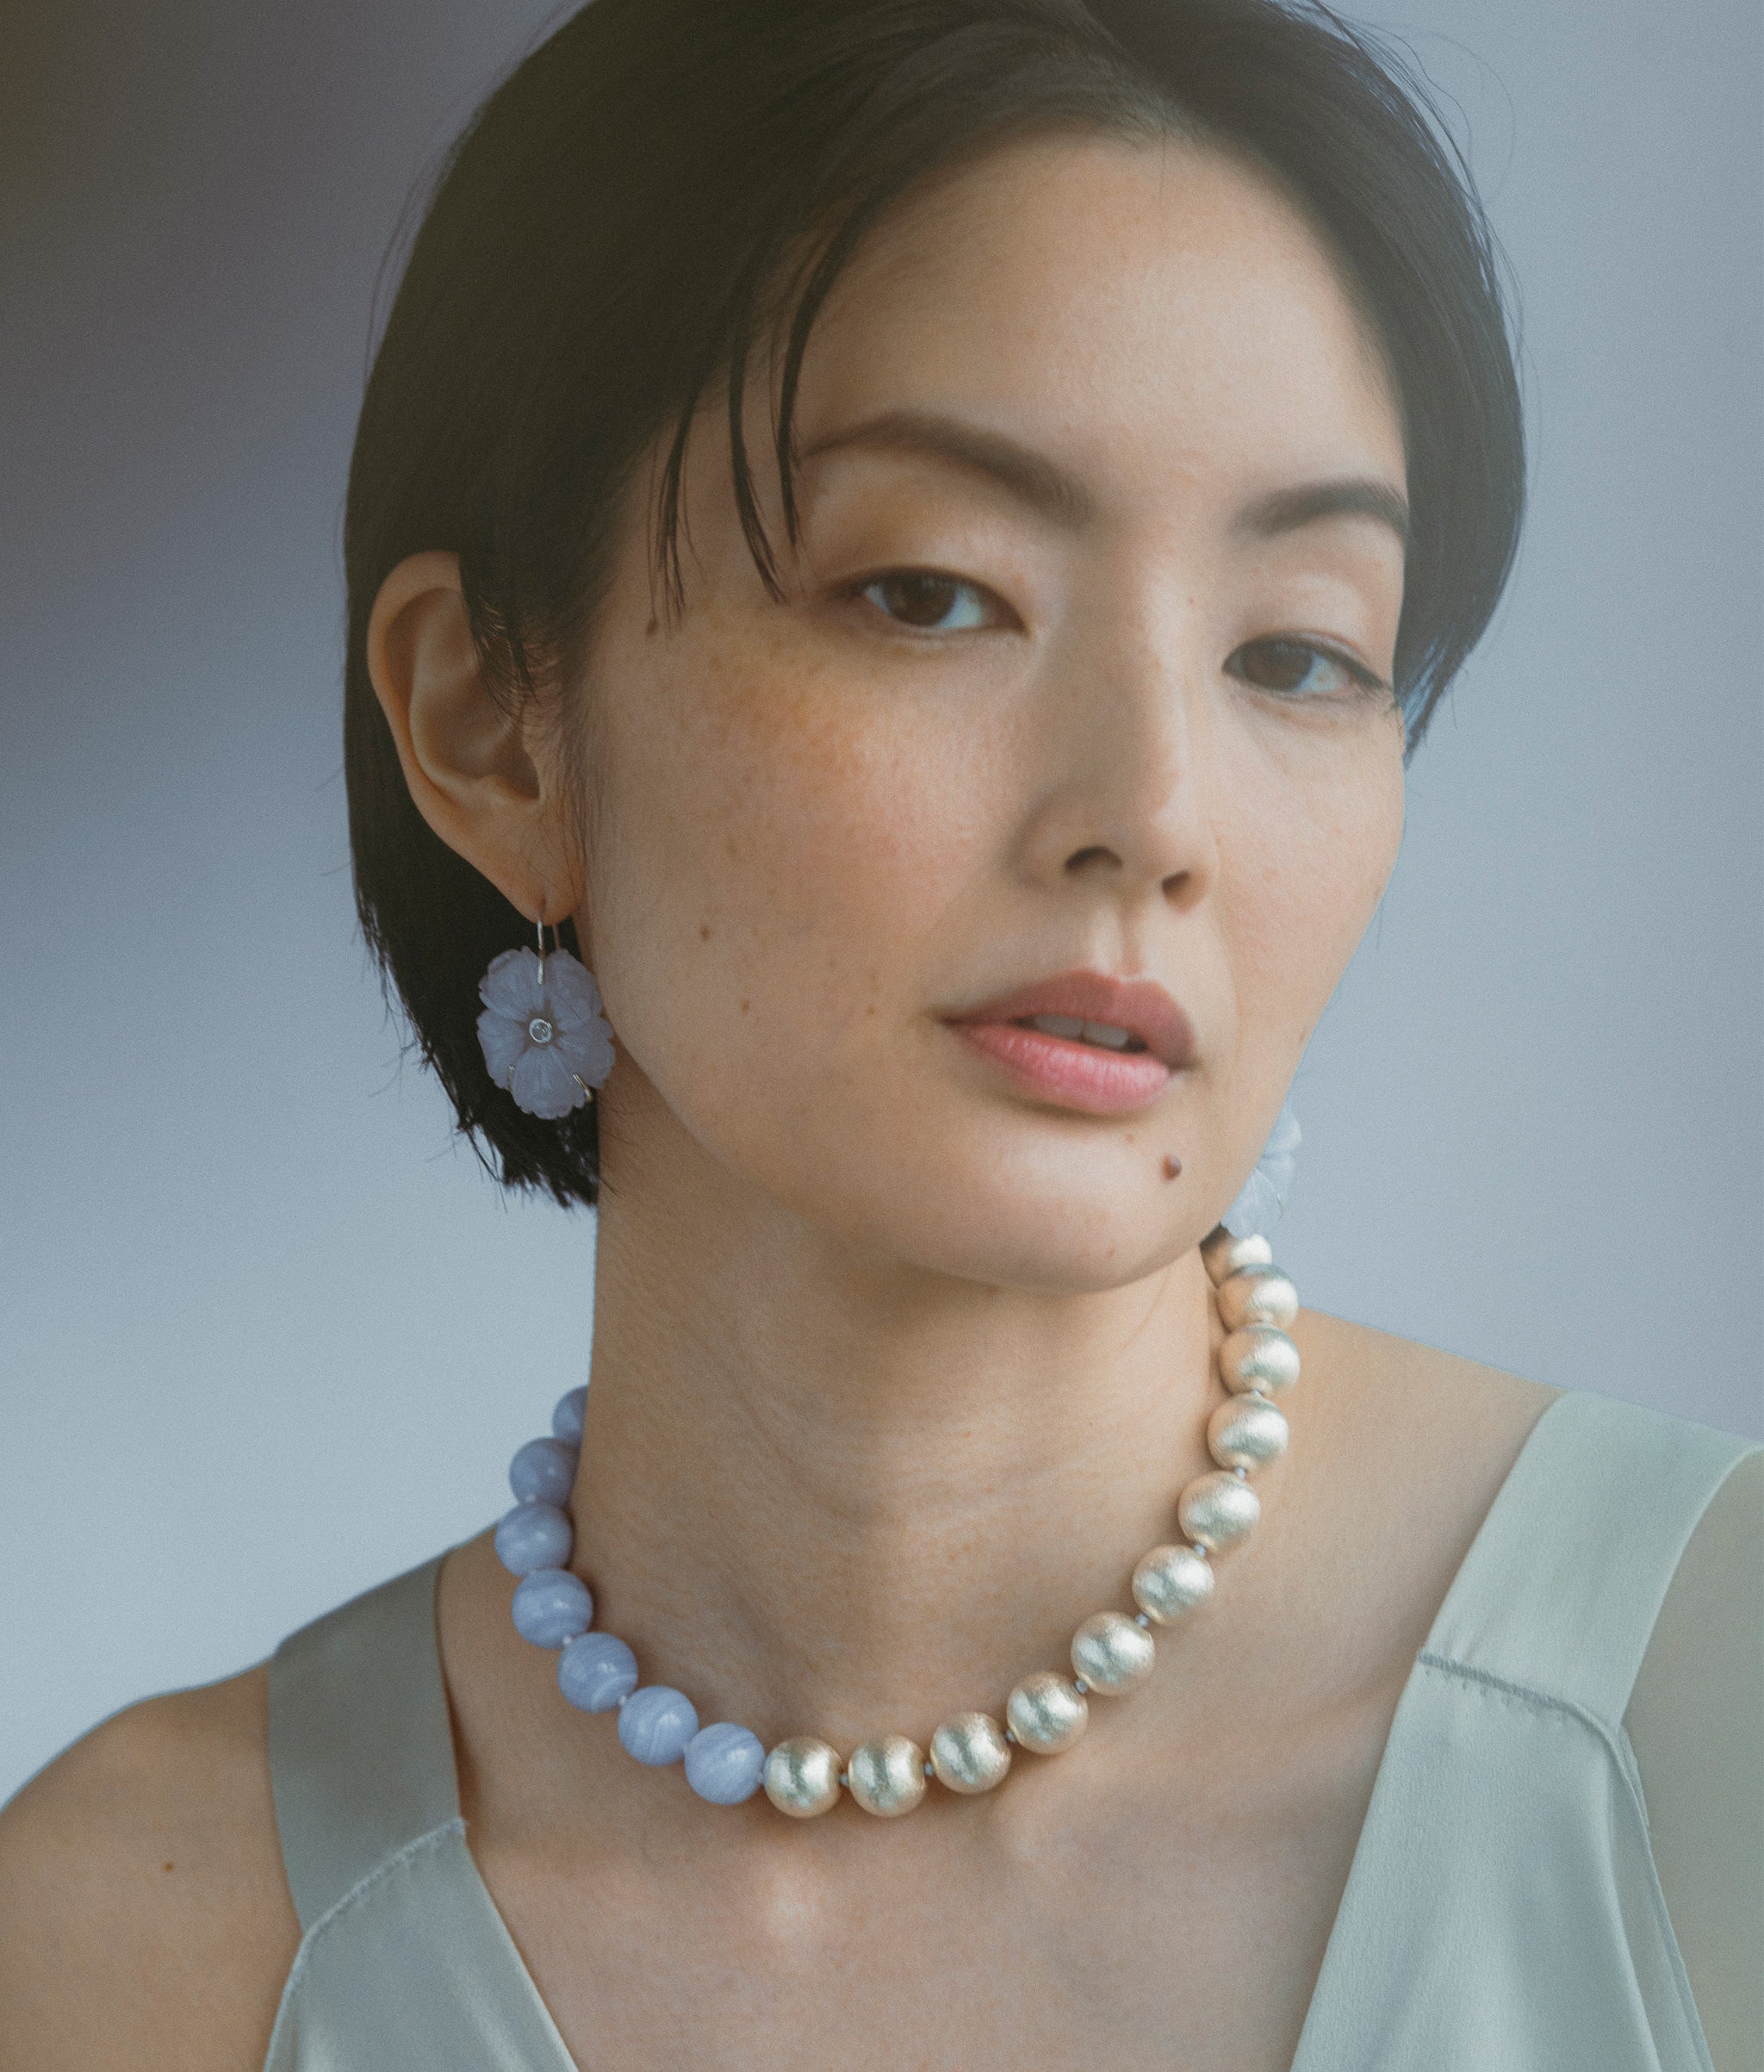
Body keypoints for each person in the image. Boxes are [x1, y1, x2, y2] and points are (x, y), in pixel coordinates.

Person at [1, 1, 1757, 2066]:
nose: (1155, 813)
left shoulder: (1700, 1720)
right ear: (489, 723)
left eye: (1297, 652)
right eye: (931, 593)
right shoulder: (149, 1940)